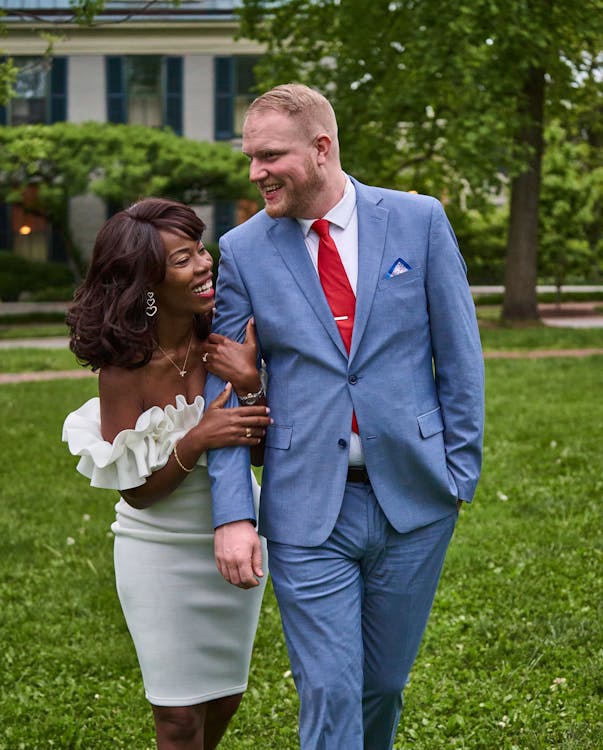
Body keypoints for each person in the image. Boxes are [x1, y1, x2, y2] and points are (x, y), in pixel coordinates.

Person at [203, 84, 485, 750]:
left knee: (381, 685)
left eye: (269, 155)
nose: (254, 173)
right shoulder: (242, 250)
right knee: (328, 690)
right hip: (305, 506)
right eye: (249, 157)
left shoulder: (417, 222)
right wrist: (233, 513)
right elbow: (225, 384)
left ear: (321, 147)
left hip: (415, 501)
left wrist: (457, 473)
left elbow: (460, 356)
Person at [61, 198, 271, 750]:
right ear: (147, 282)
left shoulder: (226, 335)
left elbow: (265, 453)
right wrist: (199, 436)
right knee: (178, 717)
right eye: (183, 259)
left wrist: (250, 382)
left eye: (200, 249)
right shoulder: (124, 368)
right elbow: (137, 492)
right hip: (157, 549)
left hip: (237, 535)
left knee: (225, 696)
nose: (204, 264)